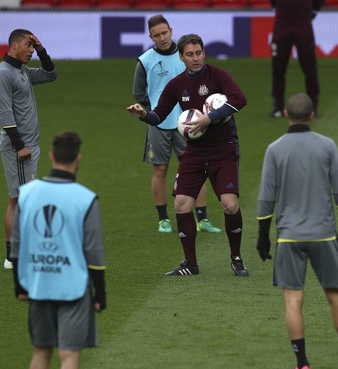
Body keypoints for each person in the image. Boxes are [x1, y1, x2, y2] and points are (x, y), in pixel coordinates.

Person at [256, 93, 338, 369]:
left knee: (293, 301)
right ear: (312, 115)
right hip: (323, 235)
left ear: (286, 113)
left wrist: (262, 235)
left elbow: (266, 198)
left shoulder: (275, 149)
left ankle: (302, 365)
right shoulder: (326, 146)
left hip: (289, 237)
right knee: (337, 298)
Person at [127, 33, 249, 276]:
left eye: (199, 53)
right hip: (194, 150)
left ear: (204, 53)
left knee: (229, 204)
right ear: (181, 57)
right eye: (190, 54)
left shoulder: (218, 76)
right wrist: (143, 114)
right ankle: (191, 264)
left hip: (223, 148)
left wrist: (209, 118)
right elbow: (158, 116)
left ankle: (236, 258)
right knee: (181, 204)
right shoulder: (176, 85)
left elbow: (240, 99)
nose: (196, 58)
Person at [9, 131, 107, 369]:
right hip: (73, 289)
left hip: (39, 285)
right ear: (79, 159)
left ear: (51, 156)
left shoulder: (27, 194)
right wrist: (100, 295)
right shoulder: (86, 199)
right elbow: (94, 253)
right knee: (69, 355)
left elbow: (16, 246)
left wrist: (20, 286)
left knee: (41, 351)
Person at [132, 15, 220, 234]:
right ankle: (163, 219)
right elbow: (138, 93)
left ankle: (202, 219)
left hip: (189, 123)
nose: (162, 38)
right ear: (150, 36)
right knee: (160, 170)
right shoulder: (145, 60)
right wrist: (153, 110)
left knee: (197, 169)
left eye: (165, 33)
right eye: (157, 35)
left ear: (171, 30)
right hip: (158, 124)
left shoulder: (185, 55)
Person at [0, 29, 58, 270]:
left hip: (30, 146)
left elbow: (51, 75)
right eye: (29, 46)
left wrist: (43, 51)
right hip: (19, 149)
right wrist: (19, 146)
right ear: (14, 45)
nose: (31, 50)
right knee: (18, 200)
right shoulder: (3, 74)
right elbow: (4, 113)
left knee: (22, 200)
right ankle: (12, 257)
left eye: (33, 47)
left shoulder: (21, 71)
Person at [269, 0, 323, 118]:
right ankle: (278, 107)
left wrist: (312, 11)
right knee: (278, 69)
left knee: (310, 69)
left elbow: (318, 2)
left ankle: (313, 107)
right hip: (283, 27)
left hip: (301, 26)